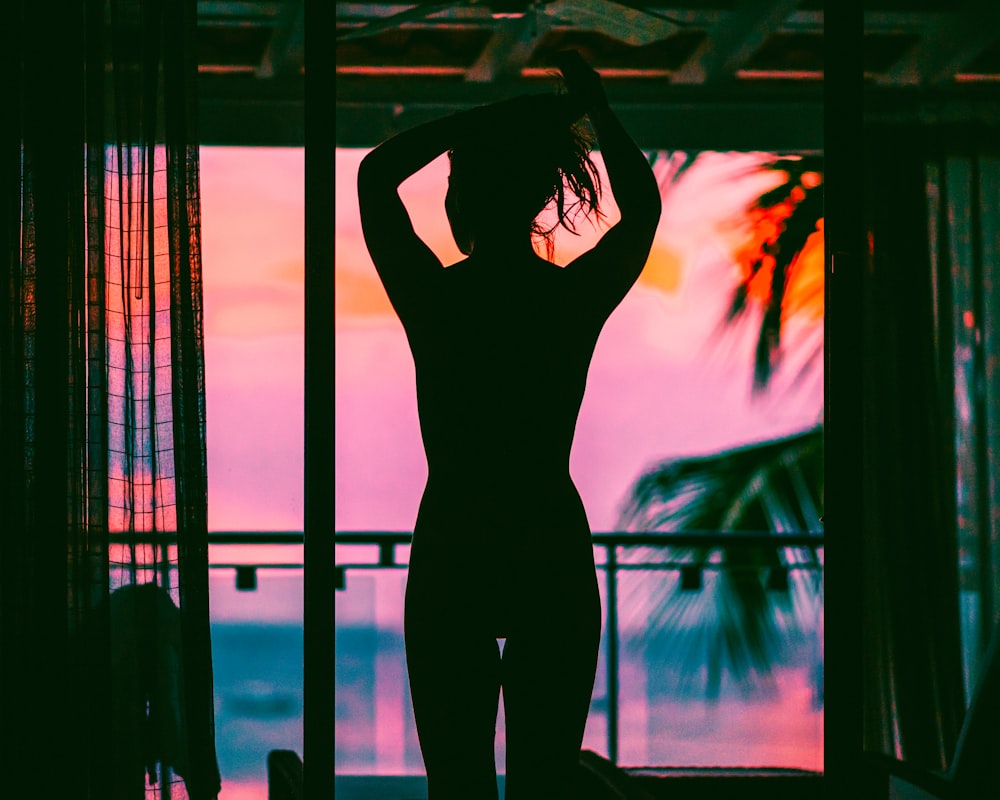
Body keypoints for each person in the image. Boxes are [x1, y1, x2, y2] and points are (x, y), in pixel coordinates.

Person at [358, 51, 661, 799]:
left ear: (463, 203)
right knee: (543, 783)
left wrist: (488, 119)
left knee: (457, 784)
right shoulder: (568, 298)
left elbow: (375, 178)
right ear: (532, 199)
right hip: (548, 540)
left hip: (455, 538)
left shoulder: (435, 298)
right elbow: (644, 213)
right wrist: (596, 110)